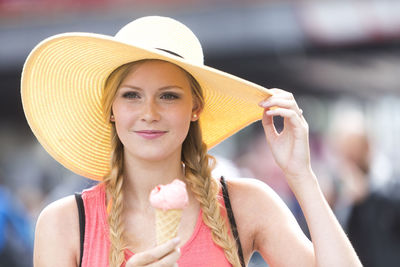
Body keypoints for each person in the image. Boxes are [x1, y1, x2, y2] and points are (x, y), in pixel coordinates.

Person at [21, 16, 361, 267]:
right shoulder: (65, 222)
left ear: (195, 108)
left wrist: (300, 174)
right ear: (111, 109)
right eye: (131, 96)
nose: (149, 113)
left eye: (168, 96)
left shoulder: (247, 205)